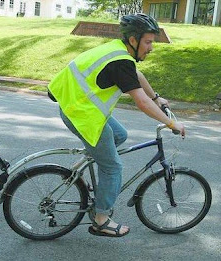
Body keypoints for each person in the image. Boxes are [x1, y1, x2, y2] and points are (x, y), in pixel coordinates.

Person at [48, 13, 185, 238]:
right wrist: (171, 123)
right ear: (133, 40)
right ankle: (101, 220)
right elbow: (140, 102)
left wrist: (157, 98)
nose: (151, 47)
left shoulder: (119, 51)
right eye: (148, 42)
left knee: (120, 135)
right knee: (113, 167)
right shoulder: (121, 61)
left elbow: (137, 75)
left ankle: (79, 168)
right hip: (81, 114)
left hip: (78, 105)